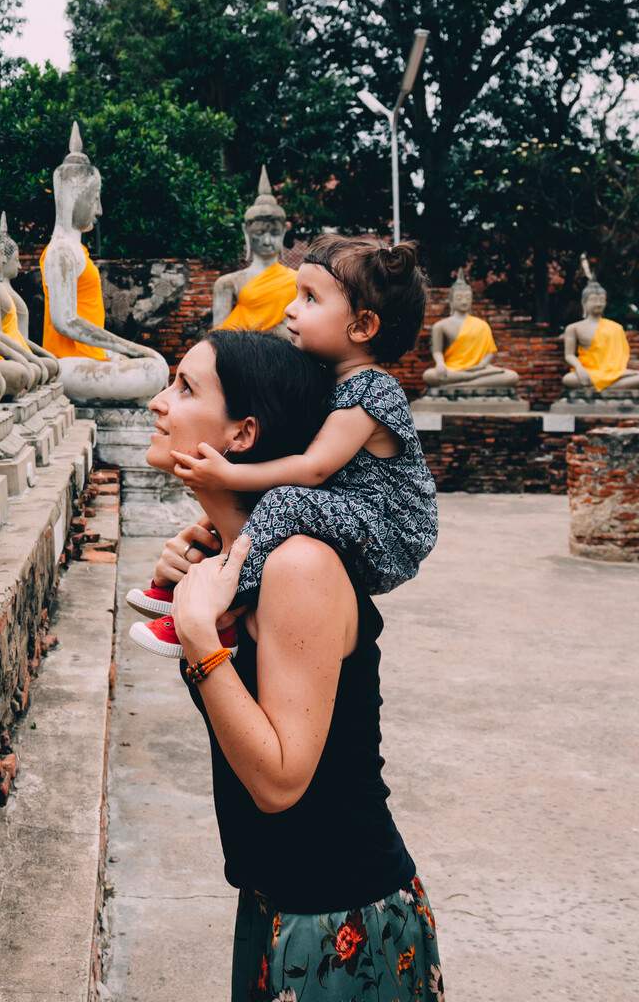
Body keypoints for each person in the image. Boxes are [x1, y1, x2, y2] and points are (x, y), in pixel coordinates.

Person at [139, 330, 443, 999]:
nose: (160, 403)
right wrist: (208, 612)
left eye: (185, 387)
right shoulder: (239, 562)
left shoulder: (301, 563)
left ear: (243, 434)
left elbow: (279, 781)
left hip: (339, 917)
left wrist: (198, 636)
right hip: (277, 900)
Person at [128, 236, 437, 650]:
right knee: (252, 515)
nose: (291, 308)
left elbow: (314, 468)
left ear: (363, 326)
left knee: (283, 502)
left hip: (388, 529)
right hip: (351, 513)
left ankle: (223, 609)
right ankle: (188, 581)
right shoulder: (328, 381)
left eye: (310, 298)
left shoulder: (372, 390)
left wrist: (230, 473)